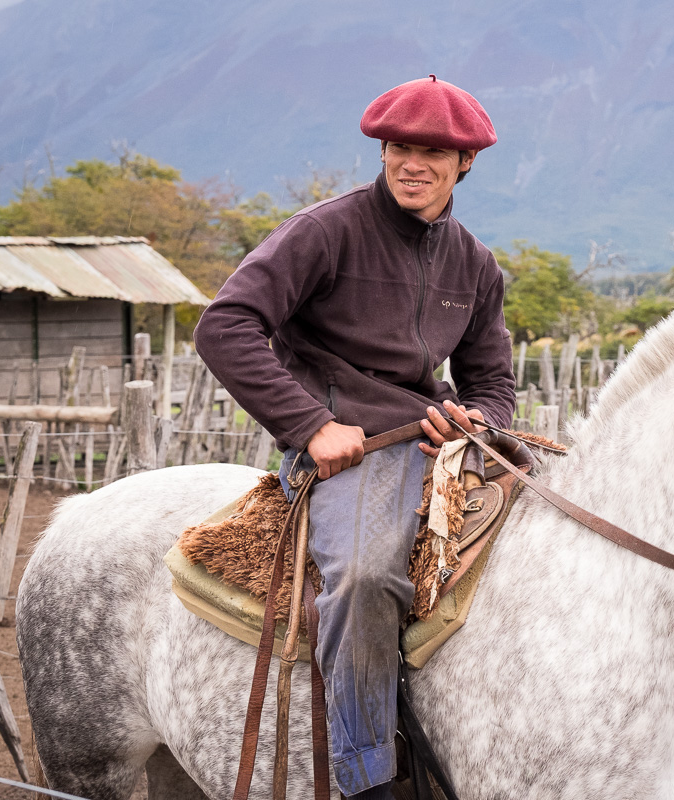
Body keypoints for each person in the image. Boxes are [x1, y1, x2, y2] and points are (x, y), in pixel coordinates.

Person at [193, 75, 516, 799]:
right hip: (348, 448)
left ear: (465, 163)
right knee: (368, 577)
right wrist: (311, 425)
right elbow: (224, 326)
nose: (413, 163)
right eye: (399, 146)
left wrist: (478, 422)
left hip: (430, 442)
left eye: (433, 152)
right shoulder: (325, 231)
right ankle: (368, 774)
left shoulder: (475, 264)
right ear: (381, 150)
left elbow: (492, 380)